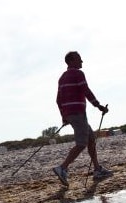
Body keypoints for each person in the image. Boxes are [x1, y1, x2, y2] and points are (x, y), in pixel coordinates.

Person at [53, 51, 113, 187]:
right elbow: (86, 90)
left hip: (71, 114)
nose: (82, 61)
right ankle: (62, 168)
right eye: (79, 59)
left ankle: (97, 169)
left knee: (91, 139)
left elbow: (58, 100)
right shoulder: (78, 74)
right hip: (78, 113)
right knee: (81, 143)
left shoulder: (62, 78)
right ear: (72, 61)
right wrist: (98, 105)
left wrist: (64, 116)